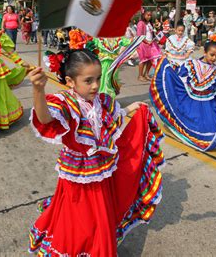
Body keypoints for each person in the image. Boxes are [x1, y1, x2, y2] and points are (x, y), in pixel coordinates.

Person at [27, 49, 165, 256]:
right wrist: (38, 90)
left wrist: (131, 109)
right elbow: (46, 119)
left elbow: (113, 115)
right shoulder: (67, 102)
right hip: (77, 173)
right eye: (88, 80)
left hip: (101, 169)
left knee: (100, 213)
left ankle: (97, 244)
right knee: (79, 214)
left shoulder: (102, 100)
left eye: (98, 79)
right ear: (70, 81)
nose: (94, 85)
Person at [150, 41, 216, 151]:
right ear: (204, 52)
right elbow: (179, 77)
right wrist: (168, 66)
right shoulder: (190, 64)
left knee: (209, 130)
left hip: (206, 105)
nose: (214, 58)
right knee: (184, 115)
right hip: (188, 100)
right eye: (212, 54)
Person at [136, 10, 161, 82]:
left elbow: (151, 33)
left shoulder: (149, 23)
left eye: (150, 15)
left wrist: (156, 38)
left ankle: (146, 74)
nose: (149, 17)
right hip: (143, 44)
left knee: (150, 59)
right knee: (143, 60)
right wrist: (146, 41)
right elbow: (139, 35)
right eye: (147, 15)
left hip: (151, 43)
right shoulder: (141, 23)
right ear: (144, 15)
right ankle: (140, 76)